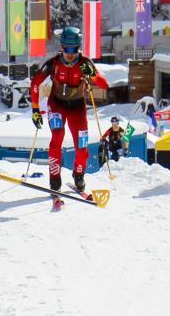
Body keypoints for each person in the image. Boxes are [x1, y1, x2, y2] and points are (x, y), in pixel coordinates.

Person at [29, 26, 110, 192]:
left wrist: (93, 75)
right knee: (57, 135)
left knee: (82, 146)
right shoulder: (54, 63)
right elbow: (35, 83)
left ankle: (78, 175)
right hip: (57, 104)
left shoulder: (84, 63)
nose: (71, 53)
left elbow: (104, 84)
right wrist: (35, 110)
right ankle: (54, 176)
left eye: (74, 49)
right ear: (62, 48)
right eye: (67, 49)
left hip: (77, 107)